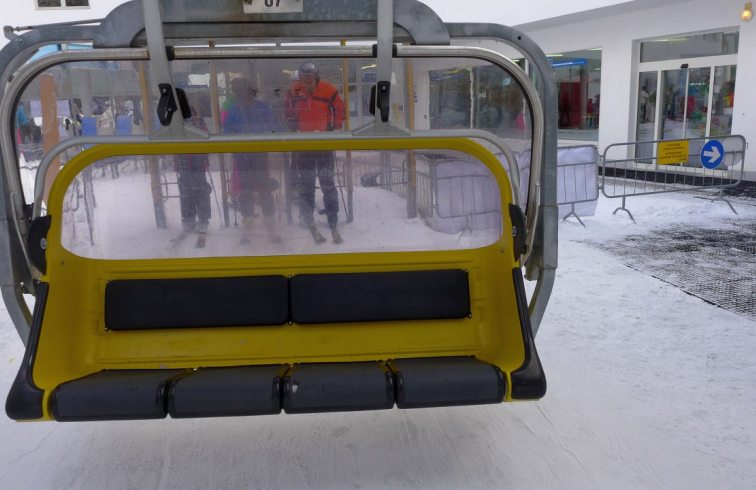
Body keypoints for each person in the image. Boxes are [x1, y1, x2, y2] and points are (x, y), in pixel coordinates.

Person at [285, 61, 345, 244]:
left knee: (328, 183)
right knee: (306, 184)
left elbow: (340, 108)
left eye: (310, 78)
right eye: (304, 78)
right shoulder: (293, 91)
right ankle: (307, 217)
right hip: (304, 145)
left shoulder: (328, 90)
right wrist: (291, 122)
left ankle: (332, 216)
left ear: (316, 77)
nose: (307, 81)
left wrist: (335, 125)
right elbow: (287, 109)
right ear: (300, 78)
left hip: (323, 143)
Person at [223, 77, 283, 244]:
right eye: (237, 92)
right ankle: (248, 225)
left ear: (250, 92)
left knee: (264, 189)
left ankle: (270, 226)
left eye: (243, 91)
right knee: (245, 191)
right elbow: (227, 132)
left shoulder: (262, 108)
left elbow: (275, 126)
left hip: (259, 155)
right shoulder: (234, 111)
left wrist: (277, 136)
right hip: (242, 156)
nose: (241, 95)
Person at [175, 101, 212, 241]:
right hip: (198, 163)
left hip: (185, 163)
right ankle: (203, 220)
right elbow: (206, 138)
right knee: (201, 192)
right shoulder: (199, 120)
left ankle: (189, 219)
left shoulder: (178, 123)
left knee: (186, 192)